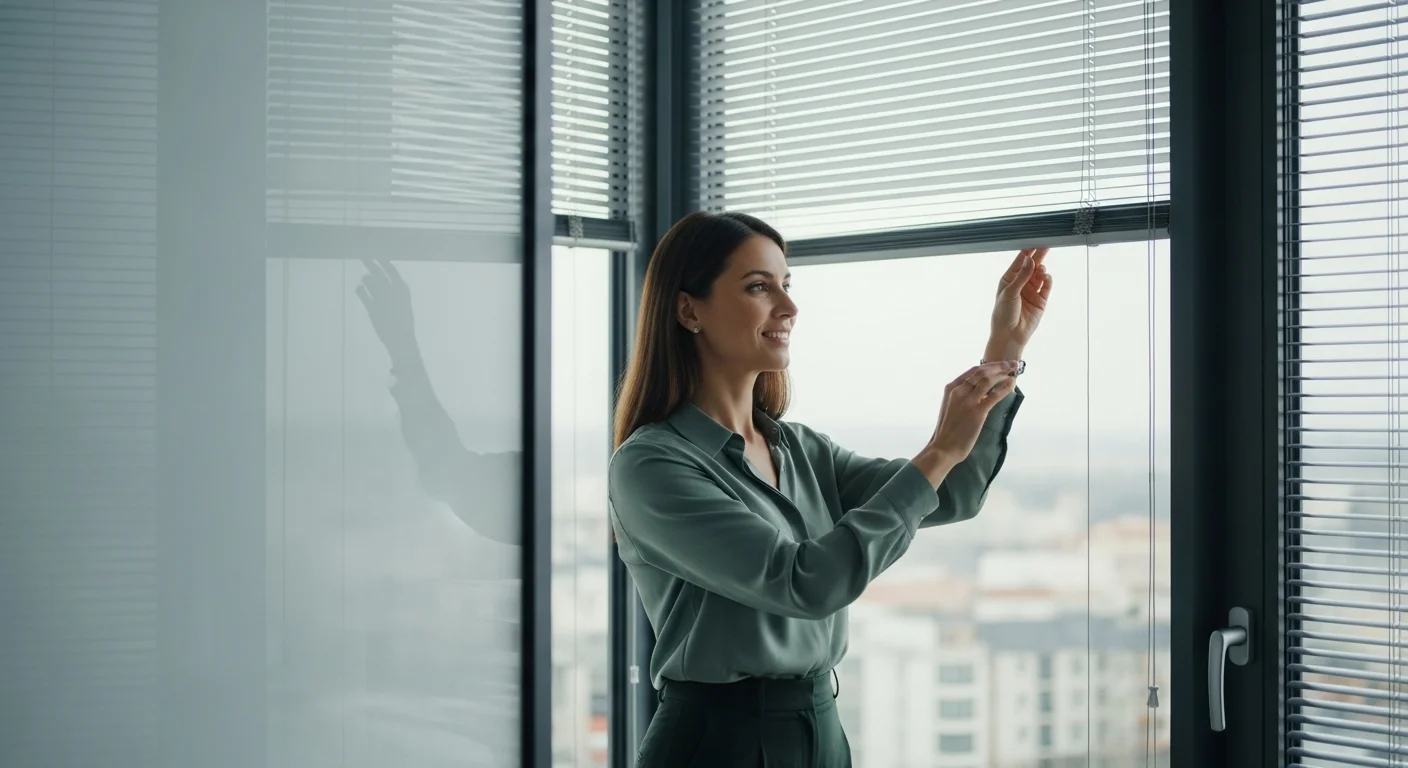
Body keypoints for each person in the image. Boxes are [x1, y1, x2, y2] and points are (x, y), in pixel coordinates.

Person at [608, 211, 1051, 767]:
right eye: (758, 287)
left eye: (786, 285)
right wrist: (938, 449)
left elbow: (954, 492)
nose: (789, 308)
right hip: (718, 741)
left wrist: (1002, 351)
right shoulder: (652, 465)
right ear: (687, 309)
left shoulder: (801, 449)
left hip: (820, 724)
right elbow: (804, 583)